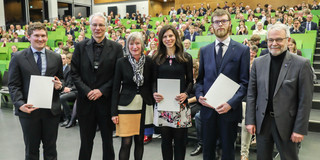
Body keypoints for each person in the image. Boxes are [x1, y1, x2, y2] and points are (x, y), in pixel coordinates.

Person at [245, 24, 314, 160]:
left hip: (287, 123)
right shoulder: (258, 63)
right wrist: (250, 120)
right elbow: (252, 94)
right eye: (270, 40)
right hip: (263, 122)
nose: (274, 43)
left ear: (288, 40)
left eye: (279, 40)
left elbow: (305, 100)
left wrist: (299, 128)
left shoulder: (302, 64)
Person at [195, 9, 250, 160]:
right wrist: (199, 96)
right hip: (208, 111)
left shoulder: (242, 50)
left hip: (229, 112)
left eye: (223, 21)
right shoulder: (205, 50)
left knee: (228, 151)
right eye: (216, 22)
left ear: (229, 23)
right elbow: (200, 81)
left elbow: (244, 83)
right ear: (211, 25)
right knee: (208, 152)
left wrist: (230, 104)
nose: (220, 25)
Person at [70, 12, 123, 160]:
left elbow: (117, 76)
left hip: (106, 103)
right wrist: (87, 91)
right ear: (90, 26)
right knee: (86, 142)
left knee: (108, 142)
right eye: (95, 25)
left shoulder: (117, 48)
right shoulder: (80, 47)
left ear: (106, 27)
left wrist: (101, 91)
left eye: (101, 25)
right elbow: (74, 73)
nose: (97, 28)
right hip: (85, 102)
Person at [8, 22, 64, 160]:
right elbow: (13, 84)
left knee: (51, 149)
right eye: (36, 36)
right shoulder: (18, 57)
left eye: (43, 35)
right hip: (29, 110)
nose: (41, 39)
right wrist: (20, 104)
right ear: (28, 37)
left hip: (51, 111)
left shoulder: (56, 57)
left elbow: (61, 80)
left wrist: (60, 85)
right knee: (31, 150)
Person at [152, 25, 193, 160]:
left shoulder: (185, 57)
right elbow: (152, 81)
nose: (168, 39)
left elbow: (191, 81)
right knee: (165, 141)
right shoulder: (156, 58)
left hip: (180, 105)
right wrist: (154, 93)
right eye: (164, 36)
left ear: (176, 37)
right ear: (161, 39)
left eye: (170, 36)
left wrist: (186, 94)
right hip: (163, 105)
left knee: (180, 142)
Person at [111, 32, 154, 160]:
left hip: (144, 105)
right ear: (127, 46)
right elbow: (115, 88)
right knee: (126, 143)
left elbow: (152, 82)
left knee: (140, 141)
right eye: (131, 43)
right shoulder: (121, 62)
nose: (134, 46)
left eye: (137, 43)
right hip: (125, 106)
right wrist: (113, 112)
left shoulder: (149, 62)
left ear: (142, 45)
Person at [59, 54, 77, 127]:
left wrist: (69, 89)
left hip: (74, 90)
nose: (62, 60)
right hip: (65, 89)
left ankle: (68, 118)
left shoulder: (70, 69)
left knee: (62, 97)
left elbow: (73, 83)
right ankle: (60, 117)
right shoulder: (59, 69)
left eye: (63, 59)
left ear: (67, 59)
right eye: (60, 59)